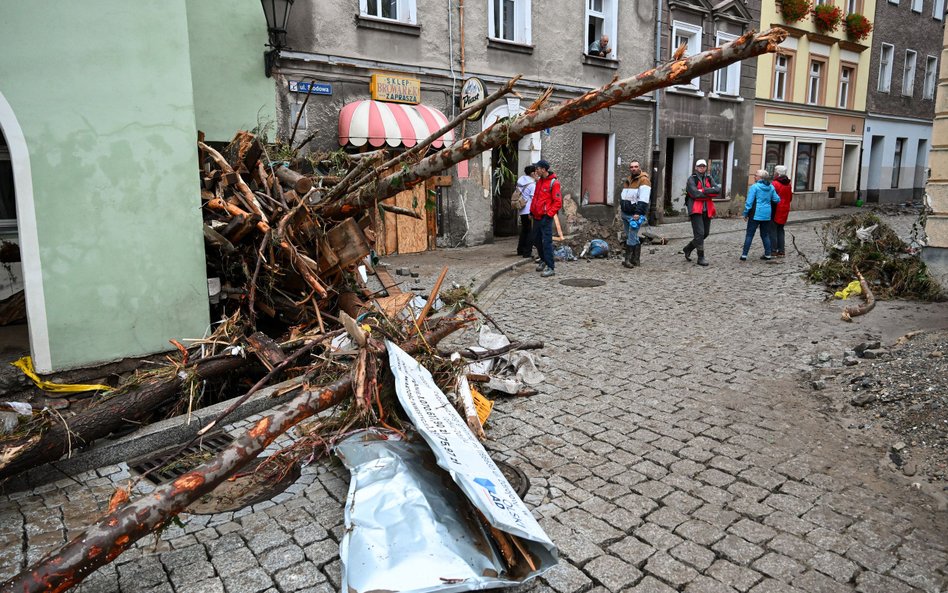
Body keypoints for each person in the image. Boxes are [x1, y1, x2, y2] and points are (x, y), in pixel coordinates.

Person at [681, 159, 721, 266]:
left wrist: (703, 191)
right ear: (696, 167)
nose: (702, 168)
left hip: (707, 209)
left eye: (703, 166)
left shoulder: (709, 177)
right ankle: (700, 257)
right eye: (700, 166)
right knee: (699, 234)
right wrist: (709, 192)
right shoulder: (691, 179)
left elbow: (717, 190)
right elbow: (694, 194)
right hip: (695, 209)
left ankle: (688, 248)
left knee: (705, 233)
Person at [530, 159, 563, 278]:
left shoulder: (554, 183)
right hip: (537, 216)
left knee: (546, 242)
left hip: (546, 217)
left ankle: (550, 267)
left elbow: (558, 202)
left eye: (537, 169)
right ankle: (543, 260)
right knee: (535, 240)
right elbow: (536, 198)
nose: (536, 171)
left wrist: (548, 214)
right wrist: (532, 211)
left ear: (543, 169)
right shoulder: (539, 182)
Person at [741, 169, 780, 261]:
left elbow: (749, 202)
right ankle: (768, 254)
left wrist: (745, 213)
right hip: (767, 214)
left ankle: (744, 255)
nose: (754, 176)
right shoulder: (771, 187)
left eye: (756, 175)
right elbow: (777, 199)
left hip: (755, 213)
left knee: (750, 235)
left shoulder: (754, 187)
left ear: (760, 178)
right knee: (765, 235)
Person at [619, 160, 651, 268]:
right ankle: (636, 259)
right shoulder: (628, 180)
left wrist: (638, 212)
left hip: (634, 214)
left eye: (636, 166)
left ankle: (628, 260)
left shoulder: (644, 180)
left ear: (639, 167)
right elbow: (624, 195)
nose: (633, 168)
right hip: (626, 212)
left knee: (632, 236)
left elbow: (644, 198)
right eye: (631, 167)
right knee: (630, 235)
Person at [516, 165, 538, 258]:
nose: (537, 174)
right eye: (536, 172)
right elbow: (534, 199)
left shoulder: (521, 182)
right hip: (529, 210)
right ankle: (527, 252)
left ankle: (520, 250)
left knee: (524, 230)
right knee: (530, 231)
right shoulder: (532, 184)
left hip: (521, 209)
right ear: (532, 173)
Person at [770, 165, 792, 257]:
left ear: (778, 173)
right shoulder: (788, 184)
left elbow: (771, 197)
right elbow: (790, 198)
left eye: (775, 171)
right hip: (785, 209)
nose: (774, 173)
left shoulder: (775, 184)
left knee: (773, 230)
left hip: (776, 209)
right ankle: (781, 250)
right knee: (780, 229)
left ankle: (773, 250)